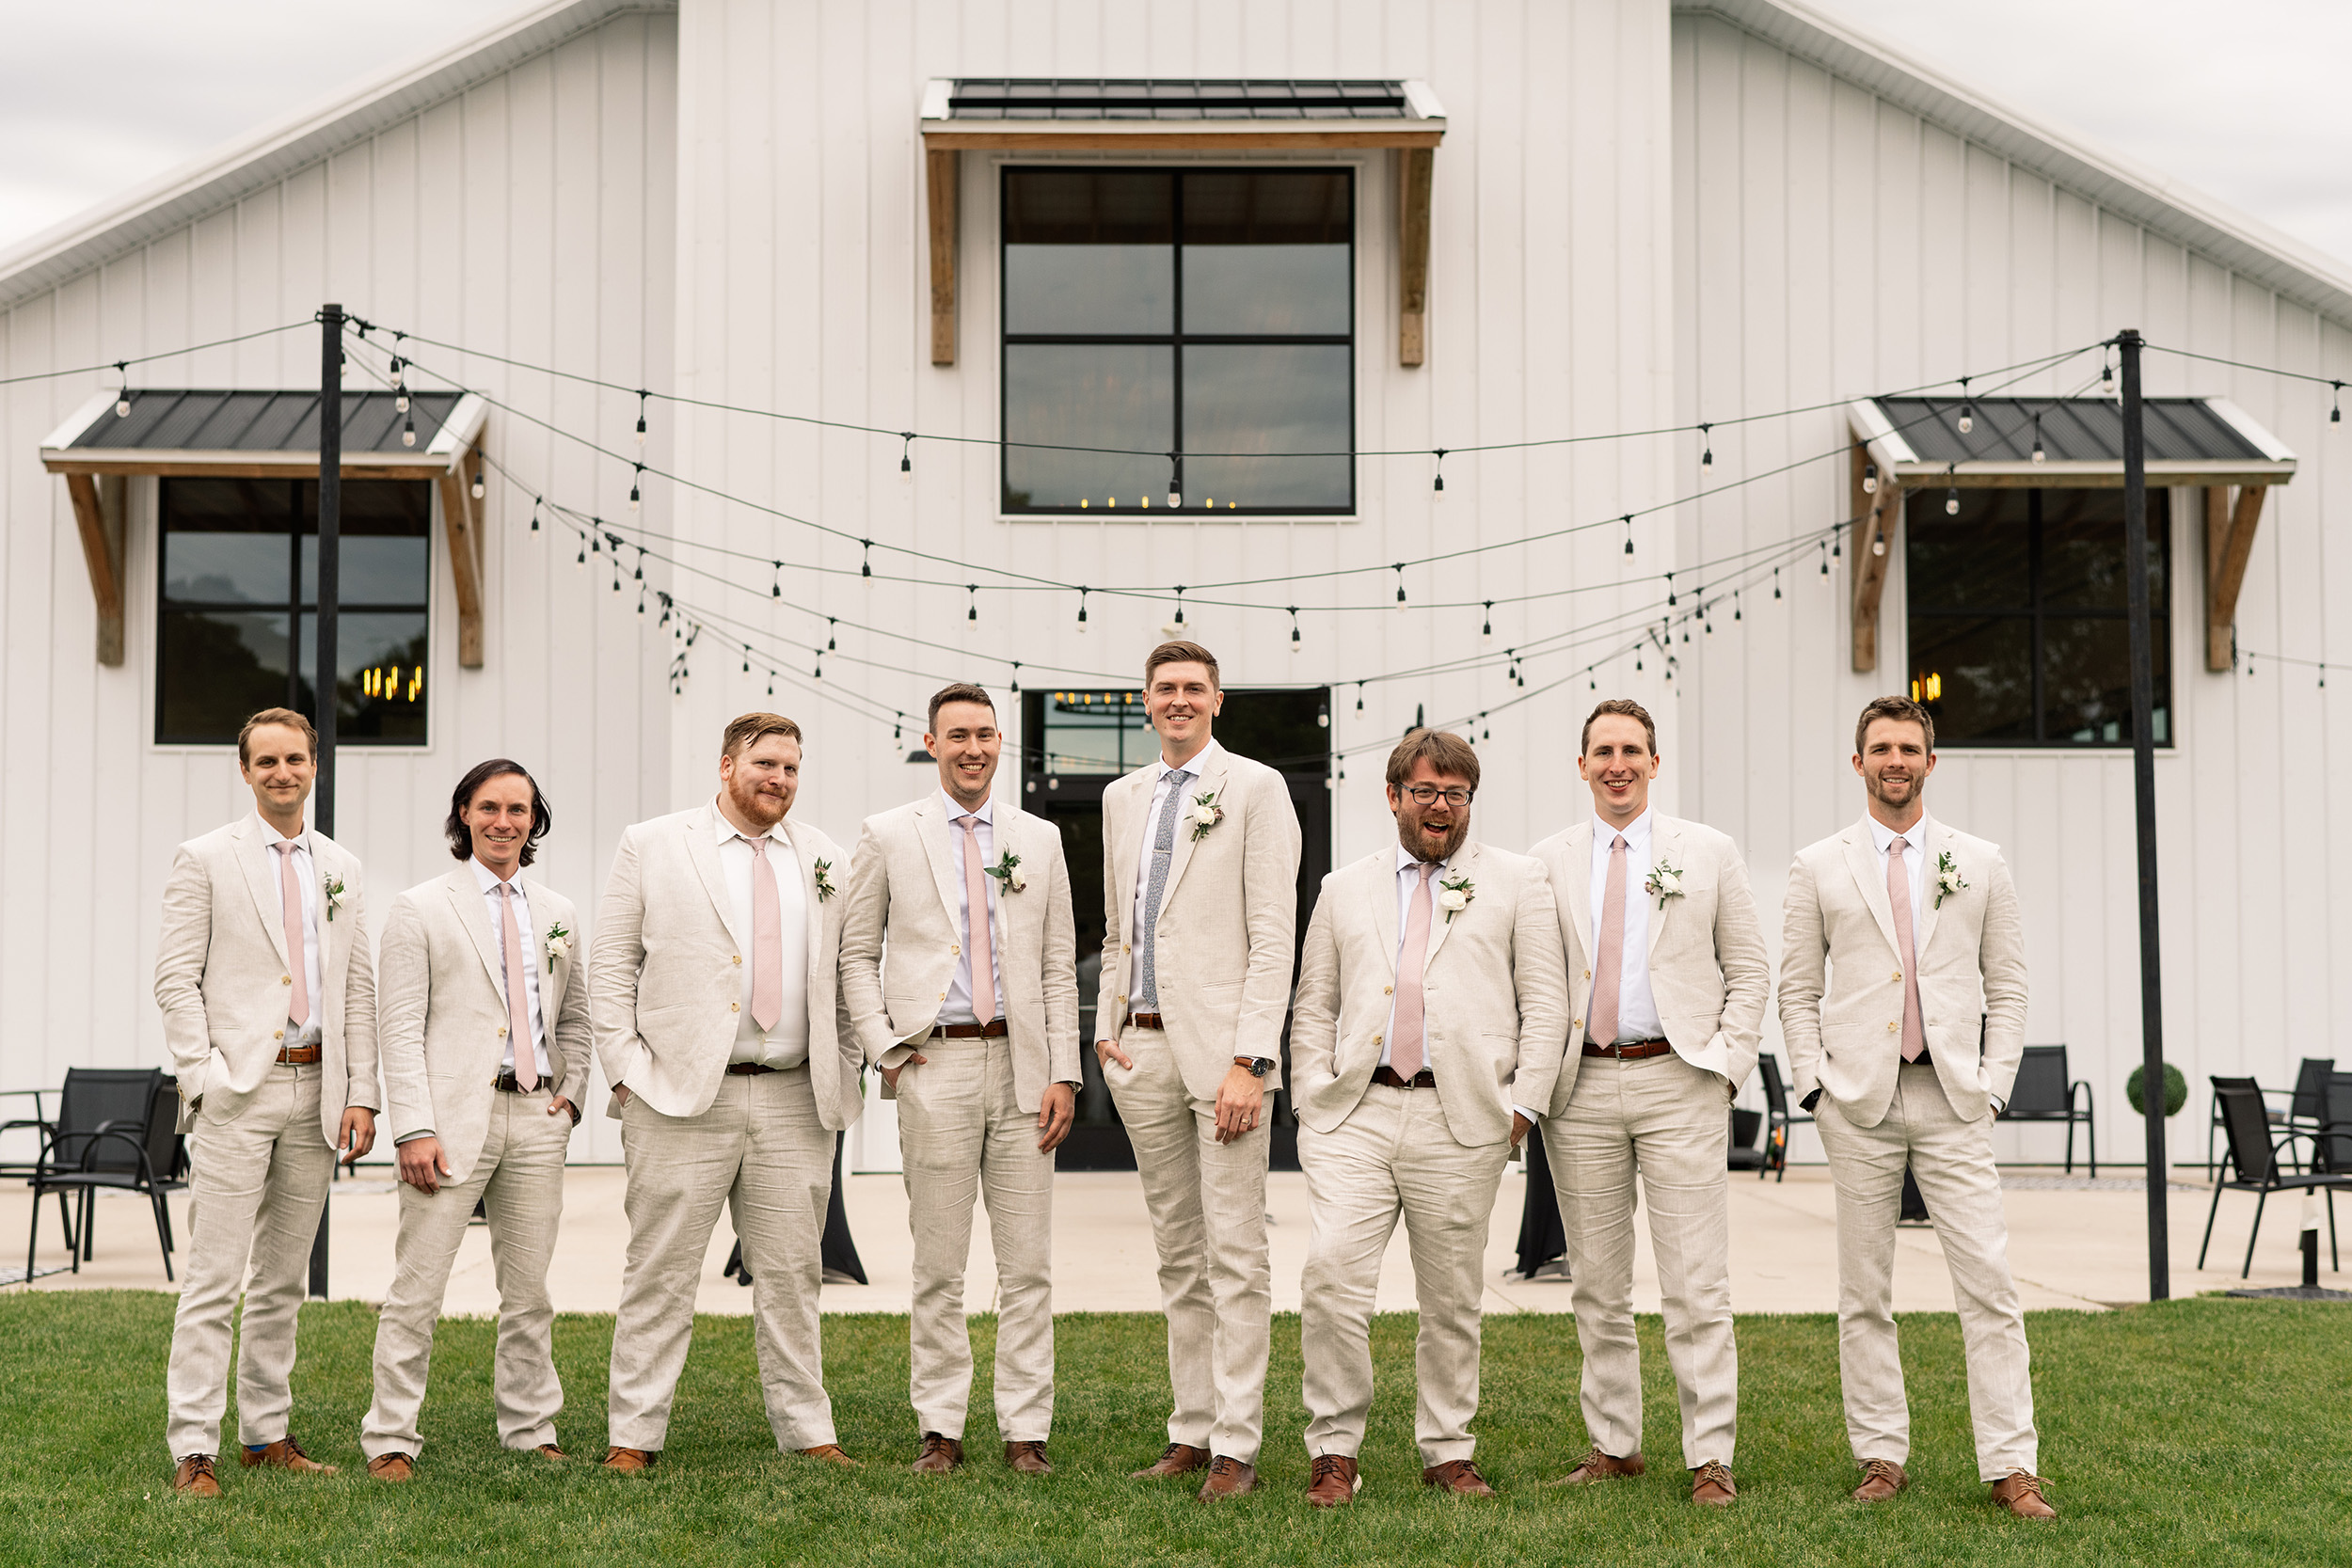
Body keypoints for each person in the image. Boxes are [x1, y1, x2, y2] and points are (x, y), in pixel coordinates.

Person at [1779, 695, 2050, 1518]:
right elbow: (1796, 988)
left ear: (1931, 761)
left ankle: (2010, 1464)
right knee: (1864, 1290)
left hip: (1954, 1097)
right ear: (1856, 761)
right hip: (1857, 1101)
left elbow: (2008, 984)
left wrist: (1993, 1083)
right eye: (1880, 748)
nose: (1895, 760)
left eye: (1908, 747)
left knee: (1990, 1284)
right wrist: (1814, 1088)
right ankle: (1880, 1454)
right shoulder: (1816, 865)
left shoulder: (1981, 860)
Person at [1290, 728, 1568, 1506]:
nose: (1440, 806)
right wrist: (1313, 1097)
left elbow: (1546, 1003)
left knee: (1451, 1296)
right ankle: (1334, 1449)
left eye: (1456, 793)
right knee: (1331, 1276)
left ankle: (1448, 1449)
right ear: (1393, 796)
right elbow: (1314, 1000)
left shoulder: (1519, 881)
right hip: (1356, 1112)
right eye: (1425, 791)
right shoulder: (1344, 886)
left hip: (1464, 1117)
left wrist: (1523, 1107)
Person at [592, 713, 862, 1472]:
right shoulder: (652, 844)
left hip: (793, 1098)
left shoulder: (825, 857)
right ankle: (633, 1436)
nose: (779, 779)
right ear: (725, 765)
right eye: (766, 764)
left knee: (793, 1274)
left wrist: (841, 1060)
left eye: (791, 768)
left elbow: (844, 974)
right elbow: (610, 967)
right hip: (678, 1097)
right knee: (659, 1271)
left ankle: (808, 1431)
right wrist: (626, 1072)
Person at [1529, 698, 1770, 1507]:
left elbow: (1749, 968)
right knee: (1597, 1281)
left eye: (1632, 749)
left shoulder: (1708, 851)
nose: (1618, 762)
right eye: (1603, 750)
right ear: (1583, 764)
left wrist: (1725, 1067)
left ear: (1654, 763)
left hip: (1679, 1079)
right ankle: (1615, 1443)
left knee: (1697, 1280)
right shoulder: (1548, 860)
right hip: (1582, 1087)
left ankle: (1711, 1456)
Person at [839, 683, 1081, 1476]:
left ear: (1000, 741)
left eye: (984, 734)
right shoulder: (887, 834)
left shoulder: (1038, 838)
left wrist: (1064, 1074)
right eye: (957, 735)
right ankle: (939, 1426)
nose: (972, 748)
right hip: (933, 1062)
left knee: (1029, 1265)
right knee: (938, 1263)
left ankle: (1025, 1430)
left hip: (1023, 1066)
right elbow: (854, 955)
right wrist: (886, 1048)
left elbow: (1055, 965)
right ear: (931, 742)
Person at [1095, 641, 1301, 1499]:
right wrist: (1105, 1026)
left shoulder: (1256, 788)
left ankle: (1236, 1445)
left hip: (1224, 1060)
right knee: (1179, 1255)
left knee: (1236, 1255)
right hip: (1138, 1050)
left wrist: (1252, 1059)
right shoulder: (1120, 797)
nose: (1178, 700)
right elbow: (1120, 928)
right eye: (1164, 689)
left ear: (1217, 700)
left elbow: (1272, 933)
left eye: (1193, 689)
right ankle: (1190, 1426)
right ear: (1146, 702)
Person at [155, 707, 378, 1496]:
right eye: (267, 761)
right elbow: (175, 978)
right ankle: (194, 1447)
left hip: (319, 1090)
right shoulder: (205, 858)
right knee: (214, 1278)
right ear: (245, 771)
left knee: (284, 1278)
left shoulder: (343, 865)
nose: (283, 772)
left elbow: (355, 986)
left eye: (296, 759)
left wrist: (362, 1094)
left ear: (314, 765)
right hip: (238, 1091)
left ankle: (265, 1433)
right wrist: (204, 1076)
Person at [359, 760, 591, 1479]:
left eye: (518, 808)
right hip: (451, 1121)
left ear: (534, 819)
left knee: (530, 1291)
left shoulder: (558, 911)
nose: (504, 820)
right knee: (418, 1286)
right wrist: (412, 1127)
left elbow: (576, 1015)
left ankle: (531, 1424)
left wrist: (573, 1093)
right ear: (464, 813)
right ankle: (391, 1435)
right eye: (489, 806)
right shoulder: (420, 907)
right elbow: (399, 1026)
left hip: (536, 1116)